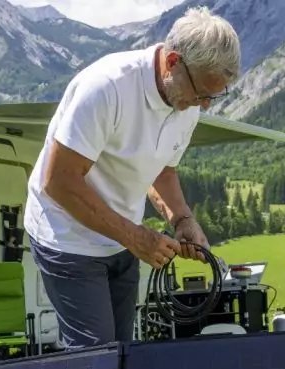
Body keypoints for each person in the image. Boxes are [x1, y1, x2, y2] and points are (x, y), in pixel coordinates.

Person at [23, 7, 240, 349]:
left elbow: (163, 171)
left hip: (123, 237)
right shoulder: (107, 87)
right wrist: (137, 238)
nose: (204, 106)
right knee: (94, 353)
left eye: (214, 96)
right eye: (201, 94)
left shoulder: (188, 103)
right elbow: (58, 182)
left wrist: (182, 219)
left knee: (122, 350)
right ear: (172, 62)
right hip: (66, 234)